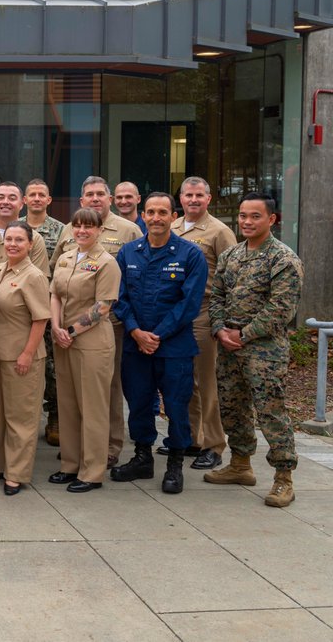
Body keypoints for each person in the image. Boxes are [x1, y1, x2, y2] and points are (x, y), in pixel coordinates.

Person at [204, 193, 304, 508]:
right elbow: (216, 295)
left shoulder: (283, 259)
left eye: (255, 216)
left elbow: (281, 309)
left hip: (264, 349)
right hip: (230, 344)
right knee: (232, 408)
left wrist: (243, 335)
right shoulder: (231, 255)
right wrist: (220, 329)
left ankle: (283, 478)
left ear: (272, 219)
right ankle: (240, 464)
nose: (246, 222)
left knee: (270, 411)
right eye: (243, 215)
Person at [110, 193, 206, 494]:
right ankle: (142, 457)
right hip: (135, 345)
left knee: (176, 407)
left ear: (172, 216)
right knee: (138, 403)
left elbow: (189, 304)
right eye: (150, 212)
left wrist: (157, 335)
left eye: (162, 212)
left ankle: (175, 463)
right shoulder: (128, 253)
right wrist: (137, 332)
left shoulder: (190, 255)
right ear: (144, 215)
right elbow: (119, 297)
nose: (155, 218)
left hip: (174, 347)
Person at [50, 176, 142, 467]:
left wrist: (75, 328)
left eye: (100, 194)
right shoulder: (68, 233)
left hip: (109, 324)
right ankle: (74, 453)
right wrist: (58, 327)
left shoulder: (128, 231)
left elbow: (135, 278)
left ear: (110, 198)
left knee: (106, 391)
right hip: (65, 330)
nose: (95, 198)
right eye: (89, 194)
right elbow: (56, 277)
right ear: (81, 200)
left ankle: (108, 448)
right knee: (70, 394)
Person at [48, 208, 120, 493]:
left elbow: (103, 306)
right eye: (77, 226)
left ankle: (91, 471)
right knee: (67, 404)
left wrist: (72, 331)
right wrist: (56, 327)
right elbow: (54, 294)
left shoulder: (106, 263)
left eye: (88, 227)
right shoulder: (66, 257)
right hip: (63, 338)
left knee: (93, 408)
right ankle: (70, 464)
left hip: (91, 343)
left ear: (99, 229)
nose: (82, 231)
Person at [169, 176, 237, 470]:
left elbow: (232, 278)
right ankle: (191, 439)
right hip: (174, 314)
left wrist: (225, 321)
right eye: (188, 195)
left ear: (208, 199)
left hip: (203, 312)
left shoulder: (219, 232)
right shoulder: (171, 228)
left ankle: (214, 444)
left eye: (199, 195)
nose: (193, 200)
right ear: (180, 198)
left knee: (206, 381)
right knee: (185, 380)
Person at [0, 221, 50, 496]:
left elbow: (41, 318)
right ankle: (2, 465)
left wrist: (27, 353)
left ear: (30, 244)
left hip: (21, 356)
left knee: (20, 418)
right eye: (9, 239)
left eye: (19, 240)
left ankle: (16, 473)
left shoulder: (33, 275)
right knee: (0, 415)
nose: (12, 244)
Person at [21, 178, 66, 447]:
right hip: (16, 308)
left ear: (49, 200)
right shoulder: (16, 228)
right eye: (32, 195)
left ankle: (55, 417)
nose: (37, 199)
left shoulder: (61, 230)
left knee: (52, 367)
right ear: (24, 200)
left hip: (47, 307)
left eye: (42, 195)